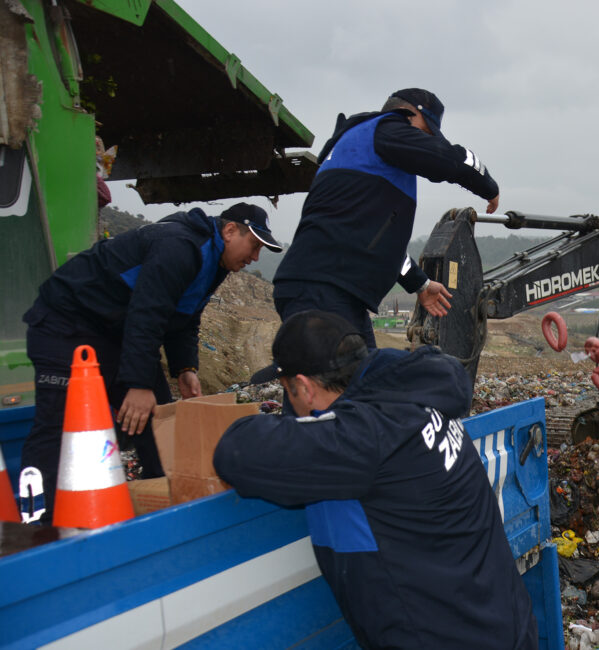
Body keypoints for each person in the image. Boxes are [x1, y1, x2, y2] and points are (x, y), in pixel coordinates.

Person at [214, 310, 537, 649]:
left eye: (288, 393)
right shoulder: (416, 397)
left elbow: (235, 452)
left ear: (305, 388)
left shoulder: (367, 437)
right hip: (507, 625)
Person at [19, 202, 281, 523]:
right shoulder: (179, 247)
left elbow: (185, 317)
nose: (255, 257)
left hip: (114, 331)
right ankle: (38, 522)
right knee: (57, 424)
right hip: (65, 323)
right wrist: (138, 384)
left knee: (158, 417)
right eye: (254, 245)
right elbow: (147, 312)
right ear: (229, 231)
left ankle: (167, 505)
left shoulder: (214, 262)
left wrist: (185, 368)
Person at [272, 88, 500, 348]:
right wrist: (488, 186)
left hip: (334, 290)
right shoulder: (385, 129)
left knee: (364, 371)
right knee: (332, 373)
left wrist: (420, 283)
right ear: (410, 115)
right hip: (322, 289)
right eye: (425, 134)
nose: (425, 142)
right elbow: (446, 158)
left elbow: (379, 242)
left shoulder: (365, 154)